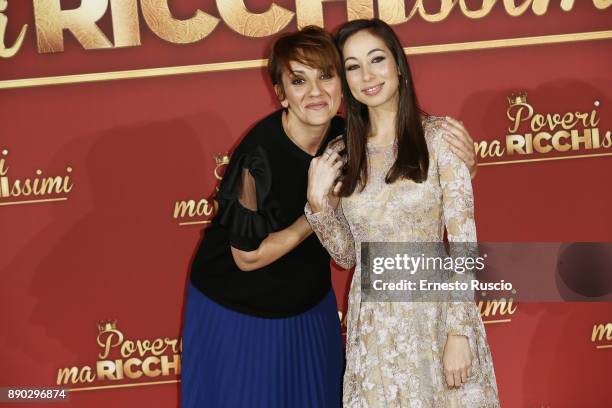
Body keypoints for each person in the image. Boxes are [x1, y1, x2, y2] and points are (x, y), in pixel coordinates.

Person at [182, 26, 477, 408]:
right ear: (280, 94)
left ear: (342, 84)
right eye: (298, 81)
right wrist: (316, 209)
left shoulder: (348, 137)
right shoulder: (257, 157)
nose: (315, 92)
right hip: (238, 308)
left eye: (326, 75)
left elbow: (411, 188)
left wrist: (466, 167)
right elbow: (247, 256)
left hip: (309, 302)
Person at [305, 19, 500, 407]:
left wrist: (458, 332)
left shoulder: (441, 137)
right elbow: (347, 256)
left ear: (398, 64)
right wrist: (317, 205)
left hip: (436, 315)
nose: (367, 75)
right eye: (352, 66)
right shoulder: (343, 153)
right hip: (377, 329)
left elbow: (463, 242)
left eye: (376, 59)